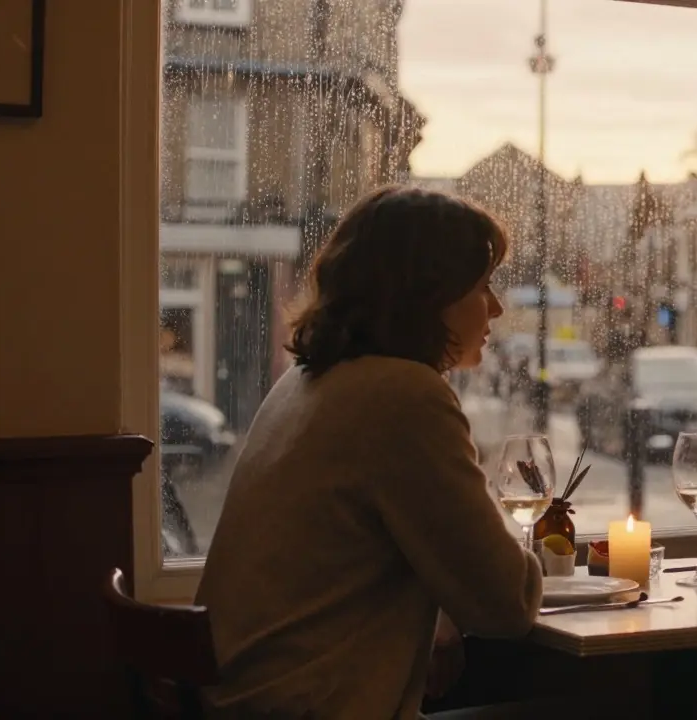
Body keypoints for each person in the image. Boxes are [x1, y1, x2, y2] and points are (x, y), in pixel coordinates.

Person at [196, 186, 543, 719]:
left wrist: (440, 615)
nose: (496, 307)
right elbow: (507, 602)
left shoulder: (305, 382)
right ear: (427, 296)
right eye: (481, 287)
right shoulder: (405, 396)